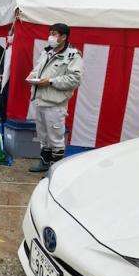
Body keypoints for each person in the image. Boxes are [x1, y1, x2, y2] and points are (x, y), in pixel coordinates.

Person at [27, 23, 83, 173]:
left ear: (64, 37)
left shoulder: (72, 55)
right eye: (50, 33)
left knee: (56, 138)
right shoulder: (47, 52)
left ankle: (55, 170)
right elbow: (37, 69)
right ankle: (44, 162)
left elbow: (74, 79)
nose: (51, 36)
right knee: (43, 135)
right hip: (40, 100)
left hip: (55, 104)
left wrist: (51, 81)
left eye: (55, 34)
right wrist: (33, 77)